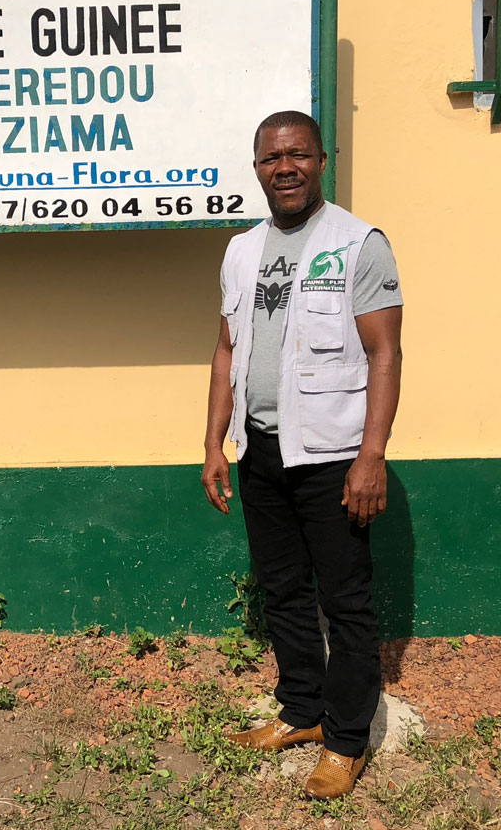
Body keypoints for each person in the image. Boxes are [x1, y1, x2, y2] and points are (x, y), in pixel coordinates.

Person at [200, 110, 403, 799]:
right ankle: (301, 711)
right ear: (256, 167)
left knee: (345, 603)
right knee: (282, 590)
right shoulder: (240, 250)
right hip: (260, 451)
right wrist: (214, 443)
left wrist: (371, 456)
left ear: (322, 160)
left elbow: (385, 352)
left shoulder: (358, 244)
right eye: (270, 158)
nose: (284, 168)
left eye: (298, 156)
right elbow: (228, 349)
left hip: (332, 456)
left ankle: (347, 739)